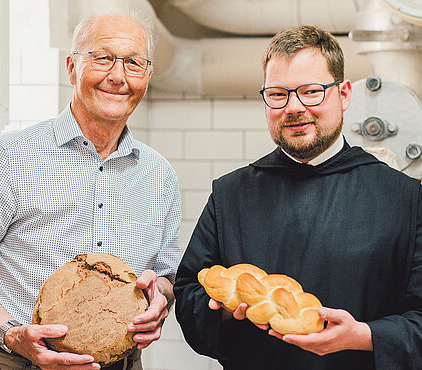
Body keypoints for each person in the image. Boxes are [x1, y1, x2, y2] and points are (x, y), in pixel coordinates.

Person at [0, 13, 181, 370]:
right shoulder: (8, 158)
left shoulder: (160, 175)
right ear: (71, 68)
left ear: (146, 76)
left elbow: (166, 275)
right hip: (18, 362)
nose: (118, 76)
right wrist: (9, 332)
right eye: (103, 58)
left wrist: (159, 300)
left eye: (133, 63)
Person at [173, 25, 421, 370]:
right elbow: (188, 295)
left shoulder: (404, 198)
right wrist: (225, 311)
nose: (294, 107)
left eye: (311, 91)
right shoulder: (230, 196)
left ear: (345, 94)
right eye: (278, 94)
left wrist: (364, 336)